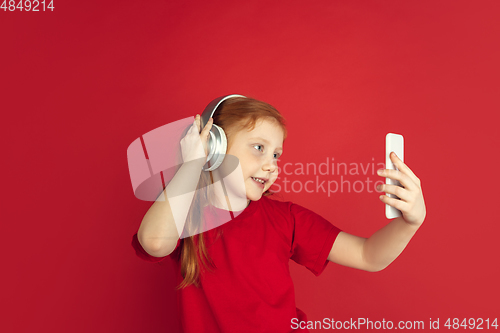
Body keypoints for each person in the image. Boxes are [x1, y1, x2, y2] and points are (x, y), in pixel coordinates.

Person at [131, 96, 426, 333]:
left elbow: (368, 255)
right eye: (259, 148)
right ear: (213, 148)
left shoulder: (286, 218)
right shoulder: (184, 215)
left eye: (276, 154)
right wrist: (191, 164)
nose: (272, 164)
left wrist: (410, 223)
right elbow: (154, 242)